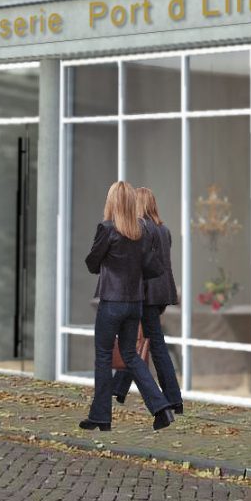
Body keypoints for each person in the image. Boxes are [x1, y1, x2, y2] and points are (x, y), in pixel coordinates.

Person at [80, 182, 175, 431]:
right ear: (132, 204)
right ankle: (162, 408)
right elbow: (154, 268)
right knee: (131, 356)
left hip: (112, 303)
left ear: (111, 202)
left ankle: (101, 417)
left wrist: (110, 262)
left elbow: (92, 263)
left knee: (103, 357)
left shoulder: (107, 229)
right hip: (135, 305)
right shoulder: (141, 231)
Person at [109, 186, 183, 415]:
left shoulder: (140, 229)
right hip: (161, 294)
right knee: (137, 340)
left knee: (153, 344)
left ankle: (173, 398)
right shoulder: (164, 230)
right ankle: (118, 388)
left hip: (144, 293)